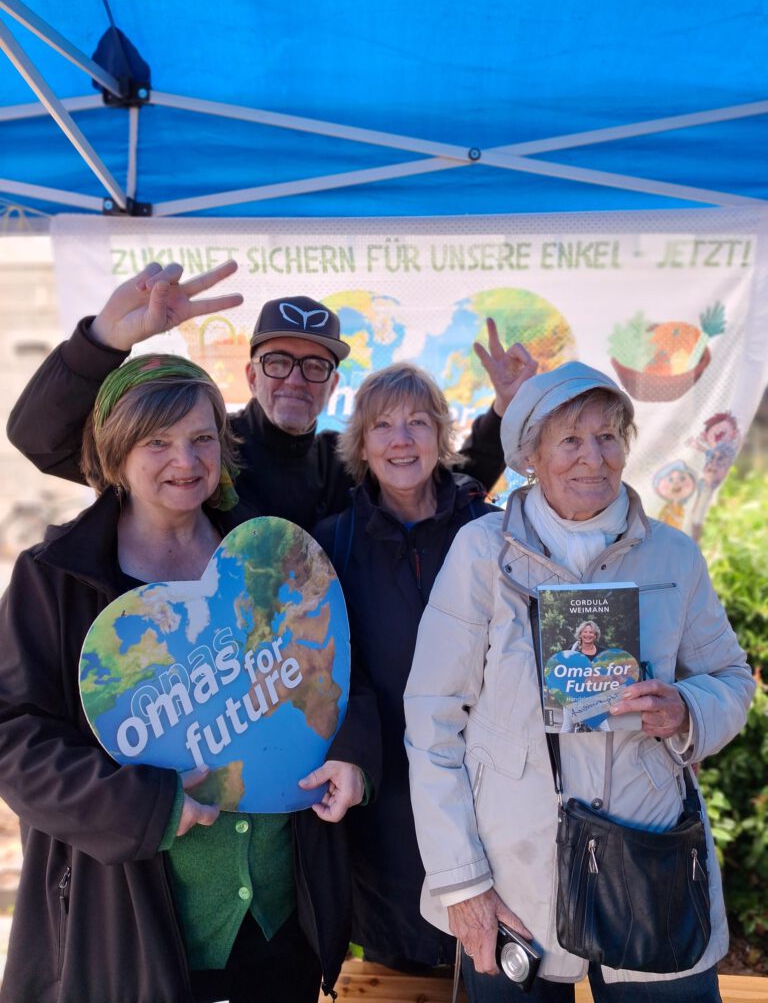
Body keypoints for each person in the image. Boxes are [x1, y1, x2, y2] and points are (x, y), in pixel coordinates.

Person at [0, 355, 378, 1003]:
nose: (186, 459)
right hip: (134, 927)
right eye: (158, 442)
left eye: (202, 438)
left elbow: (340, 674)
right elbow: (14, 742)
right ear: (118, 452)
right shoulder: (58, 577)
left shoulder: (266, 556)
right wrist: (146, 806)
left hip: (281, 926)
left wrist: (353, 758)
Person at [404, 361, 755, 1002]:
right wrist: (462, 883)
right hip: (516, 875)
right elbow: (432, 723)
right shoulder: (483, 553)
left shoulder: (672, 555)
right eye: (570, 439)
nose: (593, 457)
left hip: (651, 863)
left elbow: (731, 678)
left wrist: (686, 711)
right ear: (531, 455)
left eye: (609, 436)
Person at [7, 261, 536, 530]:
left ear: (332, 384)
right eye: (278, 362)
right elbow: (41, 440)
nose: (295, 379)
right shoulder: (199, 452)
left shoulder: (343, 462)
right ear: (252, 374)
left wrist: (503, 410)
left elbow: (442, 482)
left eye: (315, 366)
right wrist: (101, 340)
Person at [313, 362, 500, 974]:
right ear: (361, 445)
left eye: (418, 423)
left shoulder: (488, 528)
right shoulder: (333, 543)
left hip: (485, 786)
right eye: (383, 426)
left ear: (441, 436)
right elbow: (334, 673)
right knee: (405, 963)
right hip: (386, 794)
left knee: (496, 956)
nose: (401, 440)